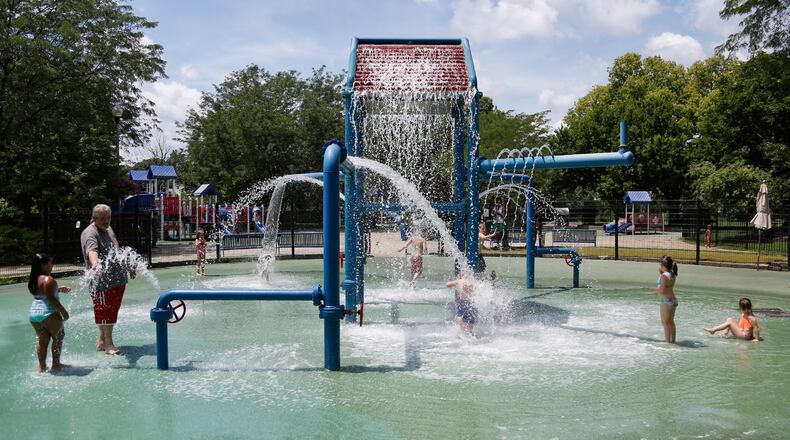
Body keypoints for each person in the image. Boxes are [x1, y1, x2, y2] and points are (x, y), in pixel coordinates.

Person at [80, 204, 135, 355]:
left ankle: (102, 341)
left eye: (108, 218)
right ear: (94, 218)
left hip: (117, 280)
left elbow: (116, 251)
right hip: (102, 283)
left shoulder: (108, 229)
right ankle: (109, 344)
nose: (106, 221)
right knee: (105, 312)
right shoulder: (90, 234)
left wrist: (128, 266)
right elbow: (92, 251)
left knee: (112, 310)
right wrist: (95, 265)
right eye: (102, 219)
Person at [28, 253, 71, 373]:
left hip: (34, 315)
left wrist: (57, 289)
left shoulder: (33, 280)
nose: (52, 266)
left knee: (43, 340)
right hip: (49, 313)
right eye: (50, 263)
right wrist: (63, 312)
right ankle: (56, 365)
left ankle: (41, 367)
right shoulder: (49, 280)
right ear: (43, 265)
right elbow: (52, 300)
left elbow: (44, 294)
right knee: (58, 337)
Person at [648, 255, 678, 343]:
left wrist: (652, 290)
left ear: (662, 265)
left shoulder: (664, 276)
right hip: (673, 299)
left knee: (665, 322)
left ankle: (668, 342)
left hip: (666, 300)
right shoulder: (672, 274)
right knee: (671, 321)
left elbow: (662, 291)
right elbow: (667, 287)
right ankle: (673, 340)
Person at [447, 270, 476, 334]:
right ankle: (471, 333)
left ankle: (462, 332)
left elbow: (448, 284)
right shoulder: (471, 282)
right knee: (471, 319)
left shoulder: (460, 281)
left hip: (462, 302)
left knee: (459, 317)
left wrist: (453, 283)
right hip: (471, 303)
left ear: (461, 276)